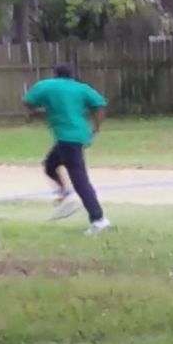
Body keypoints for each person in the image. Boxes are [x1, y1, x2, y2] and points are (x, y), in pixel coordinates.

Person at [23, 64, 111, 234]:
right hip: (78, 135)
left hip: (66, 139)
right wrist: (96, 128)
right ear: (72, 76)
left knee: (80, 180)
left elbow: (27, 102)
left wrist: (41, 110)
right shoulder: (81, 88)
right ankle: (66, 193)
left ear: (55, 75)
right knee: (50, 165)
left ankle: (99, 219)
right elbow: (100, 105)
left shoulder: (46, 85)